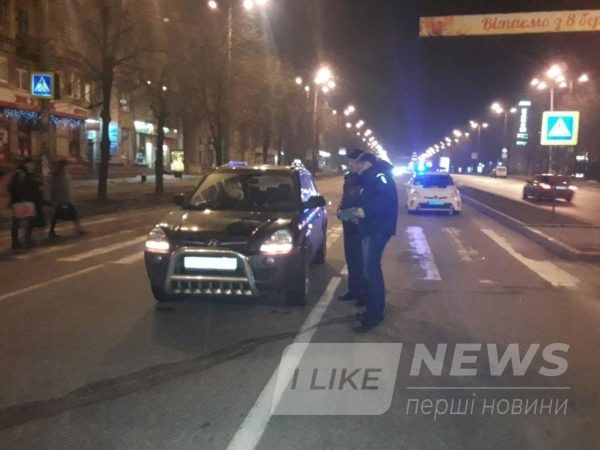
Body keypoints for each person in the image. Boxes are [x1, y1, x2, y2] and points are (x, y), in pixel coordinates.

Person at [354, 152, 398, 331]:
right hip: (371, 227)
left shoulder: (379, 175)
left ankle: (375, 314)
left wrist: (365, 211)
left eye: (358, 165)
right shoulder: (371, 177)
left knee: (372, 269)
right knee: (370, 268)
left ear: (366, 164)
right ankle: (372, 309)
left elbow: (386, 198)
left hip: (378, 229)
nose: (356, 168)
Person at [337, 149, 367, 305]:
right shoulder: (349, 177)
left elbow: (365, 203)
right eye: (349, 161)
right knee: (351, 258)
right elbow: (346, 196)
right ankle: (353, 289)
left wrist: (351, 214)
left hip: (359, 223)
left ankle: (363, 293)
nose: (350, 164)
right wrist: (340, 208)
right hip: (348, 222)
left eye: (353, 161)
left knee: (361, 260)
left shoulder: (365, 178)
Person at [48, 159, 84, 238]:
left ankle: (78, 228)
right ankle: (78, 229)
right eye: (67, 165)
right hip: (62, 198)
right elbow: (58, 187)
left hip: (64, 198)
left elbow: (67, 186)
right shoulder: (59, 174)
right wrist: (56, 198)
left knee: (60, 214)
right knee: (63, 213)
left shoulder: (62, 173)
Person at [7, 159, 38, 250]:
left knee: (24, 221)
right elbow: (17, 187)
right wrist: (22, 198)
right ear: (26, 164)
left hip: (22, 201)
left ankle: (20, 240)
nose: (32, 166)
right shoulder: (20, 173)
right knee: (22, 221)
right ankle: (20, 241)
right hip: (21, 201)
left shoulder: (24, 173)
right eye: (30, 164)